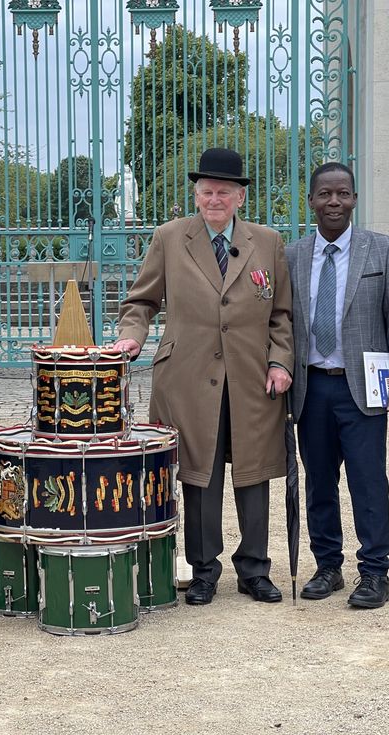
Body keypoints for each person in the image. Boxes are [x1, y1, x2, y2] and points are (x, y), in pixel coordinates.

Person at [113, 148, 294, 606]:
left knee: (254, 473)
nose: (214, 200)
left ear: (240, 198)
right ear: (196, 195)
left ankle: (254, 568)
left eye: (223, 193)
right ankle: (204, 570)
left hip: (251, 376)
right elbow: (142, 300)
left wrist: (281, 362)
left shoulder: (268, 242)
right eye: (206, 192)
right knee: (200, 473)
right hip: (188, 374)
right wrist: (130, 337)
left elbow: (281, 315)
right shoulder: (170, 237)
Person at [286, 162, 389, 609]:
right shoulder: (292, 256)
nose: (334, 202)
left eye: (343, 193)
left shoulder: (381, 250)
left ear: (355, 199)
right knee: (319, 482)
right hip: (311, 388)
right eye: (325, 194)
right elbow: (282, 325)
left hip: (363, 388)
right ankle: (327, 566)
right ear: (312, 201)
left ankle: (375, 573)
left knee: (367, 482)